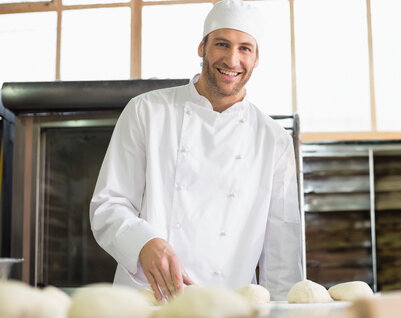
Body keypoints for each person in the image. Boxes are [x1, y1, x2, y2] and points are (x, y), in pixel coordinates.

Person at [89, 0, 303, 302]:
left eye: (245, 48)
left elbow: (282, 248)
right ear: (202, 47)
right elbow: (108, 204)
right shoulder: (147, 111)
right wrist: (143, 242)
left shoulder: (274, 140)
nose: (232, 59)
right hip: (148, 303)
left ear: (256, 60)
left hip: (228, 309)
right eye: (222, 44)